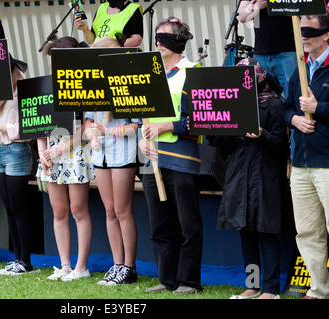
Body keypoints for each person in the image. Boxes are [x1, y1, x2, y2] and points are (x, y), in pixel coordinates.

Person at [208, 58, 292, 299]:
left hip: (265, 176)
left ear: (261, 76)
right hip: (239, 174)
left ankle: (271, 289)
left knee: (266, 232)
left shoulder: (275, 105)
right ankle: (253, 286)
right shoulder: (231, 104)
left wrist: (262, 135)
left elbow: (281, 146)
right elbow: (226, 146)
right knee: (246, 232)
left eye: (249, 74)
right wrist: (214, 129)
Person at [139, 17, 203, 295]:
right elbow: (142, 115)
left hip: (182, 157)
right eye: (156, 37)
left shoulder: (193, 71)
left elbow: (202, 119)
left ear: (178, 41)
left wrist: (168, 125)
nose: (158, 43)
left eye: (164, 37)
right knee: (159, 222)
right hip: (152, 158)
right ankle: (167, 279)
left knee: (187, 222)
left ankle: (189, 281)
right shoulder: (148, 74)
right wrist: (142, 139)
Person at [82, 36, 139, 286]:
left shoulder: (129, 82)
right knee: (109, 210)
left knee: (122, 210)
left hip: (122, 151)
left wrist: (106, 131)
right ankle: (117, 265)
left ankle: (129, 266)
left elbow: (135, 126)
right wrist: (90, 132)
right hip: (101, 153)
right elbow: (86, 120)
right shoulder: (91, 83)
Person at [37, 36, 94, 281]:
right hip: (50, 154)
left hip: (75, 152)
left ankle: (81, 267)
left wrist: (61, 148)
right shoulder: (47, 85)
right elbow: (36, 123)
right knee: (58, 210)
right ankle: (64, 265)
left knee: (78, 210)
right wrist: (43, 152)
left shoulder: (86, 85)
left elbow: (87, 125)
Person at [283, 14, 329, 299]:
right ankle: (319, 290)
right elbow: (285, 107)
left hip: (327, 163)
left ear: (327, 35)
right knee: (308, 232)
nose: (305, 37)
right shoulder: (300, 67)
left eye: (311, 31)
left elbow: (318, 107)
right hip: (301, 163)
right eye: (302, 32)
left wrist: (318, 107)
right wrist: (294, 120)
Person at [0, 58, 34, 275]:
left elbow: (28, 127)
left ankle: (26, 261)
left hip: (16, 151)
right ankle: (17, 258)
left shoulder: (25, 91)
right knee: (10, 208)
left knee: (19, 207)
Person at [238, 0, 297, 100]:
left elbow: (302, 8)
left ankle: (293, 116)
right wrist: (258, 6)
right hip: (261, 53)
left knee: (292, 95)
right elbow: (242, 17)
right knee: (264, 98)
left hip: (286, 51)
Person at [74, 0, 143, 47]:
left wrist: (113, 46)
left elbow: (137, 40)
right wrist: (85, 29)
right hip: (98, 55)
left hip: (120, 56)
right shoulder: (101, 8)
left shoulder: (133, 9)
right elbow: (92, 41)